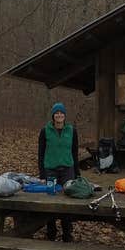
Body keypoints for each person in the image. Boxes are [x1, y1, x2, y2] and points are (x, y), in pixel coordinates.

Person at [38, 102, 80, 242]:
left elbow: (74, 152)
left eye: (61, 113)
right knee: (51, 201)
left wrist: (77, 173)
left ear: (65, 115)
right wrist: (42, 174)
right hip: (50, 170)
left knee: (68, 201)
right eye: (56, 113)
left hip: (68, 170)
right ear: (53, 115)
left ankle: (67, 233)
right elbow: (41, 153)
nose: (59, 115)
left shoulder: (72, 131)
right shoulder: (45, 131)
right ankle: (51, 231)